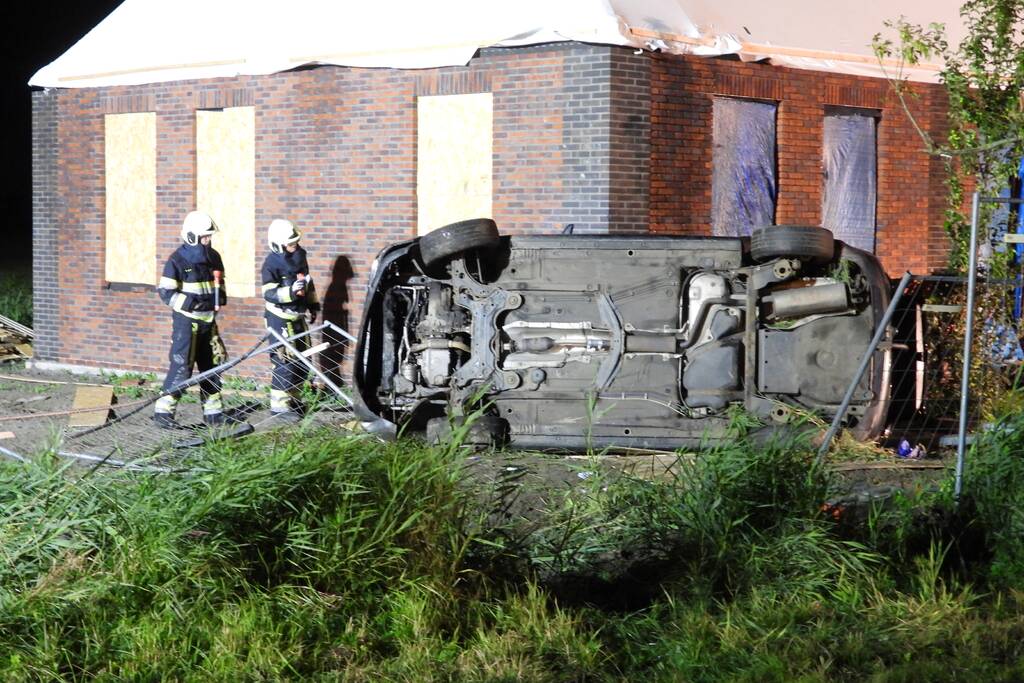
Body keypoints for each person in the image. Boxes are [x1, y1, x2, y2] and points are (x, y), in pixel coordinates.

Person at [153, 211, 232, 429]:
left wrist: (220, 296)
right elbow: (166, 292)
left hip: (209, 321)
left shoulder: (213, 257)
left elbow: (219, 284)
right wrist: (190, 303)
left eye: (209, 237)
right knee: (182, 366)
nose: (208, 241)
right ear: (191, 237)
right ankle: (164, 412)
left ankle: (213, 413)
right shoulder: (177, 260)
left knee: (212, 366)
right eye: (204, 237)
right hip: (187, 322)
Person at [261, 219, 320, 422]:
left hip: (298, 317)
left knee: (303, 360)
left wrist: (313, 305)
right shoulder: (270, 264)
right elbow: (268, 293)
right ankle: (279, 407)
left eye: (296, 242)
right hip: (280, 319)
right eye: (290, 244)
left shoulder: (299, 257)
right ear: (278, 245)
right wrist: (290, 292)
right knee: (284, 362)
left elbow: (308, 284)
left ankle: (293, 401)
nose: (295, 247)